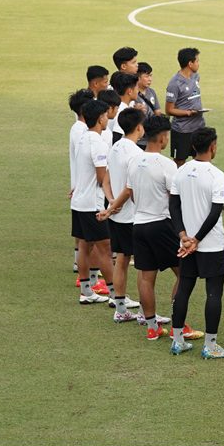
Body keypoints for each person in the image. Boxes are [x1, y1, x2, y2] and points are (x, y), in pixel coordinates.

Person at [169, 128, 224, 359]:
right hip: (211, 244)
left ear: (194, 146)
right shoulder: (218, 176)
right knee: (213, 293)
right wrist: (197, 239)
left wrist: (183, 236)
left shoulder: (181, 171)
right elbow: (215, 213)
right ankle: (211, 345)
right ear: (213, 146)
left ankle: (177, 341)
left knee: (184, 289)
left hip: (187, 245)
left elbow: (173, 207)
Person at [125, 116, 179, 341]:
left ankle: (151, 327)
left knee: (146, 277)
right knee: (184, 273)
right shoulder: (167, 164)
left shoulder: (134, 161)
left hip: (139, 225)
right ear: (163, 136)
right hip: (161, 224)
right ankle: (180, 323)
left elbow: (133, 194)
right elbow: (176, 199)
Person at [99, 108, 146, 323]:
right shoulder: (136, 154)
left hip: (118, 216)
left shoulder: (115, 147)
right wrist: (113, 206)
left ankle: (120, 309)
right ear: (139, 127)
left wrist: (110, 201)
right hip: (131, 217)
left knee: (121, 260)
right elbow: (129, 190)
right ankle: (147, 313)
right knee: (144, 266)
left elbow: (106, 179)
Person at [72, 99, 117, 305]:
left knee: (84, 245)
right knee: (105, 248)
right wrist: (113, 200)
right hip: (93, 204)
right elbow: (102, 178)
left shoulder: (83, 138)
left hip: (79, 201)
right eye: (106, 115)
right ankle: (116, 296)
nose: (108, 118)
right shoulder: (98, 142)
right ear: (100, 118)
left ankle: (86, 291)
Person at [68, 88, 96, 275]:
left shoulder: (78, 129)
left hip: (80, 187)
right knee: (90, 238)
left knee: (83, 236)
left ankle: (82, 267)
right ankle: (88, 272)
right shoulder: (81, 131)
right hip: (85, 189)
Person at [165, 47, 206, 167]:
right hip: (182, 130)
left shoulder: (195, 76)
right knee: (179, 162)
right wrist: (188, 113)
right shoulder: (174, 84)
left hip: (198, 127)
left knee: (200, 160)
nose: (198, 63)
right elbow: (169, 110)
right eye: (197, 61)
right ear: (190, 63)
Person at [109, 71, 140, 144]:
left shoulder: (118, 106)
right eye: (136, 88)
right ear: (129, 91)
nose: (138, 91)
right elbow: (116, 138)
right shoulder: (122, 110)